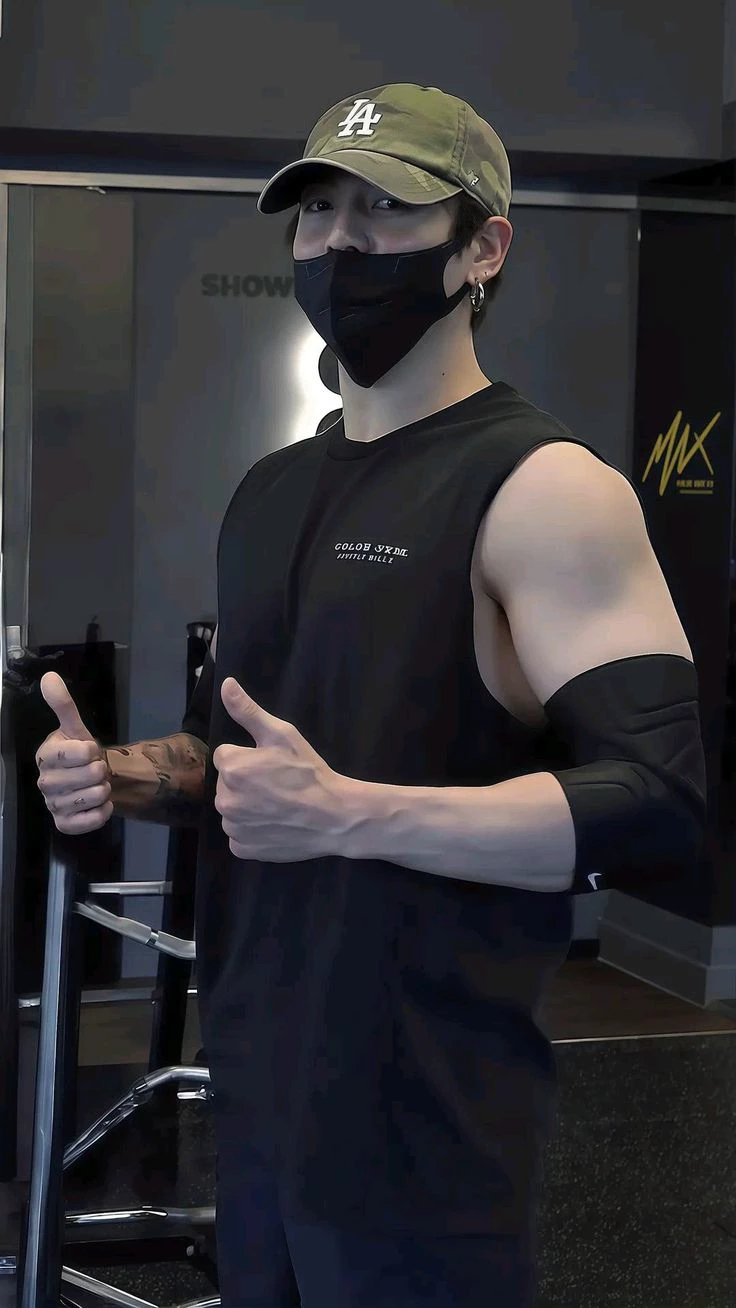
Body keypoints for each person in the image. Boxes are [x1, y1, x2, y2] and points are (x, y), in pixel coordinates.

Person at [36, 84, 706, 1307]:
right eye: (318, 212)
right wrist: (119, 776)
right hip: (256, 1079)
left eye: (388, 210)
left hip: (425, 1108)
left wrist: (353, 814)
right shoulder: (272, 491)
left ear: (481, 249)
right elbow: (233, 755)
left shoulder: (547, 488)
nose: (341, 242)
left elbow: (659, 805)